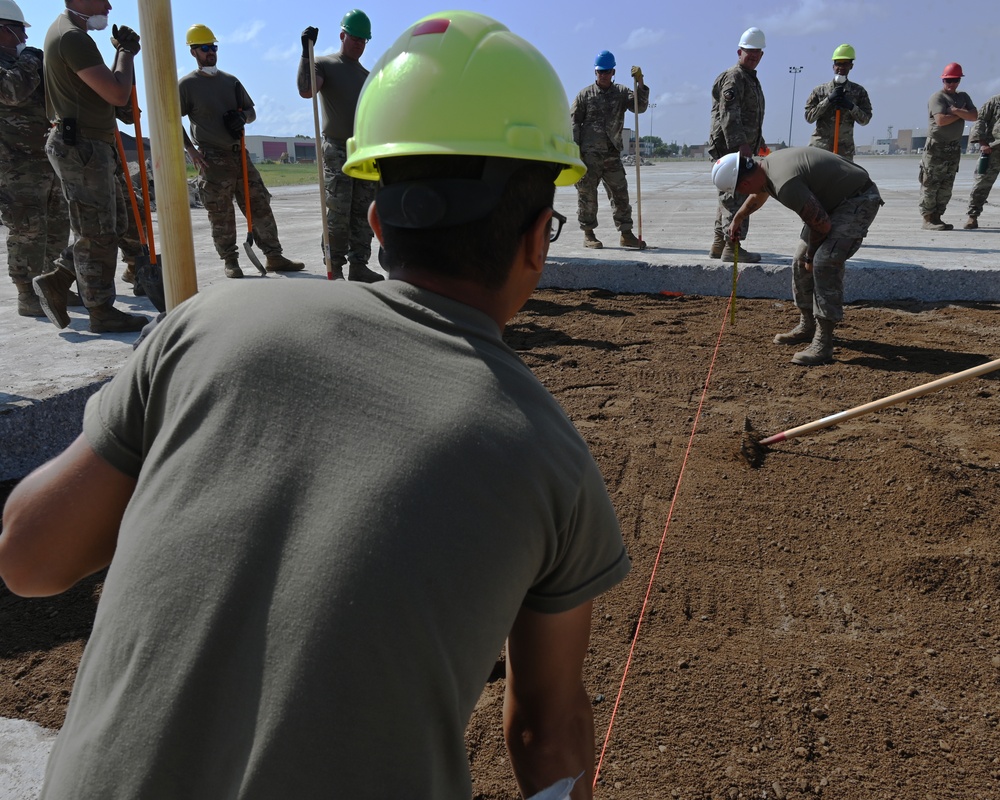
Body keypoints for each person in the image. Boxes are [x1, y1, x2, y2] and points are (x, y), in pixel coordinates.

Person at [1, 11, 630, 800]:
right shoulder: (548, 455)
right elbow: (546, 735)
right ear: (539, 237)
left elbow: (28, 555)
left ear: (374, 218)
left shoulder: (207, 325)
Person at [35, 0, 148, 333]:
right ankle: (100, 310)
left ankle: (58, 280)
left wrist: (119, 56)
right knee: (97, 231)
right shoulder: (72, 37)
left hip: (89, 144)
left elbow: (102, 88)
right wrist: (126, 52)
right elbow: (116, 93)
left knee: (110, 224)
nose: (109, 5)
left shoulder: (70, 34)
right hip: (82, 146)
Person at [712, 147, 882, 366]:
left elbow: (821, 225)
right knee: (798, 262)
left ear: (743, 185)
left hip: (858, 199)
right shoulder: (764, 168)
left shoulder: (786, 184)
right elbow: (761, 191)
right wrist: (739, 216)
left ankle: (824, 341)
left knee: (824, 262)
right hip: (830, 202)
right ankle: (808, 324)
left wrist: (811, 256)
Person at [179, 23, 304, 278]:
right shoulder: (187, 85)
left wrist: (242, 118)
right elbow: (172, 119)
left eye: (213, 47)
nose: (210, 52)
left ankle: (274, 256)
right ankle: (231, 261)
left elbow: (251, 111)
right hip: (212, 158)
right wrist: (191, 150)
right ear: (193, 52)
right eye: (204, 48)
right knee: (220, 213)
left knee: (259, 204)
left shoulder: (231, 81)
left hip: (240, 154)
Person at [296, 10, 383, 282]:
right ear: (342, 35)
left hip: (363, 151)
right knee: (338, 211)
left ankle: (359, 265)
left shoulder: (368, 76)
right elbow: (307, 90)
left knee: (362, 212)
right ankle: (335, 267)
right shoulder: (324, 64)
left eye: (363, 40)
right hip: (336, 150)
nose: (359, 43)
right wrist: (305, 55)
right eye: (355, 38)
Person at [0, 0, 72, 318]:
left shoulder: (28, 65)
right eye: (18, 31)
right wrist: (30, 59)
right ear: (2, 30)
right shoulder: (19, 67)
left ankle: (52, 287)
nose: (23, 39)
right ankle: (27, 295)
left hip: (46, 162)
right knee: (27, 229)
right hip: (14, 167)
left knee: (57, 225)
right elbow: (12, 90)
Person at [570, 49, 648, 250]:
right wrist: (574, 152)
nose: (603, 75)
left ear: (613, 72)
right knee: (587, 194)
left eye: (606, 71)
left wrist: (640, 83)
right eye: (599, 72)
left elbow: (639, 107)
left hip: (612, 154)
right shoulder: (584, 95)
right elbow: (574, 123)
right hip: (589, 156)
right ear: (595, 72)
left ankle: (626, 234)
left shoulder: (621, 93)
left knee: (620, 193)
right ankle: (588, 234)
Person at [708, 26, 767, 263]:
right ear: (739, 52)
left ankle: (718, 243)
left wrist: (757, 141)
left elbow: (751, 116)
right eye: (748, 52)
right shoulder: (735, 78)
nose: (753, 56)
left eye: (757, 53)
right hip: (732, 148)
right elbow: (729, 114)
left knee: (727, 195)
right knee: (737, 195)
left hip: (742, 146)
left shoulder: (749, 78)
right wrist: (741, 144)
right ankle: (733, 246)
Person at [919, 63, 977, 231]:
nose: (951, 84)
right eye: (948, 80)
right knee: (931, 183)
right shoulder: (938, 97)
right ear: (943, 80)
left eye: (955, 80)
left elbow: (974, 116)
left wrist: (955, 111)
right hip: (936, 146)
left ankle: (938, 217)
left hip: (953, 147)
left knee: (946, 185)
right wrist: (961, 114)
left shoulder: (963, 96)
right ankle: (928, 218)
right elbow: (940, 121)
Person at [803, 44, 872, 162]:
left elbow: (865, 119)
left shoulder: (859, 92)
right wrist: (828, 100)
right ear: (833, 66)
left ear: (851, 66)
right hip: (820, 149)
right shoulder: (819, 91)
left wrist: (851, 106)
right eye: (838, 63)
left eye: (845, 64)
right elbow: (809, 117)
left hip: (844, 151)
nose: (841, 67)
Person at [964, 91, 1000, 229]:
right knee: (981, 184)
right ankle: (972, 216)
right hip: (993, 149)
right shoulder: (995, 101)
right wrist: (982, 143)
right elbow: (980, 120)